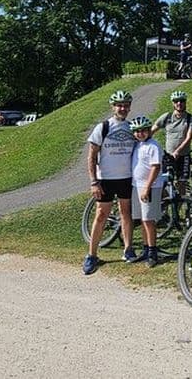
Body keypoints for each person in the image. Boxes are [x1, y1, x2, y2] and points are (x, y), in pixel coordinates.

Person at [83, 90, 137, 275]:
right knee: (101, 215)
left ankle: (128, 250)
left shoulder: (132, 128)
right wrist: (93, 182)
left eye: (125, 105)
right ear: (113, 107)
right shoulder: (103, 127)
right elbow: (91, 156)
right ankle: (92, 255)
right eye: (119, 105)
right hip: (106, 179)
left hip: (126, 178)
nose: (122, 108)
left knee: (126, 213)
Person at [129, 116, 164, 268]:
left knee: (149, 220)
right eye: (137, 131)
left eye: (143, 130)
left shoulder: (153, 146)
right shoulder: (138, 145)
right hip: (136, 185)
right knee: (142, 219)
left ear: (149, 130)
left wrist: (147, 187)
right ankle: (145, 248)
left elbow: (155, 167)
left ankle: (152, 252)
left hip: (149, 187)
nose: (140, 133)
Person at [151, 90, 192, 197]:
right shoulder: (167, 117)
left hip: (183, 155)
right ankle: (167, 202)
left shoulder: (191, 119)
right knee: (163, 182)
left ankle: (181, 203)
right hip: (168, 156)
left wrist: (178, 151)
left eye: (182, 101)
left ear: (185, 102)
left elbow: (188, 138)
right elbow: (151, 131)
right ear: (173, 103)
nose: (179, 103)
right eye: (176, 101)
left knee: (181, 183)